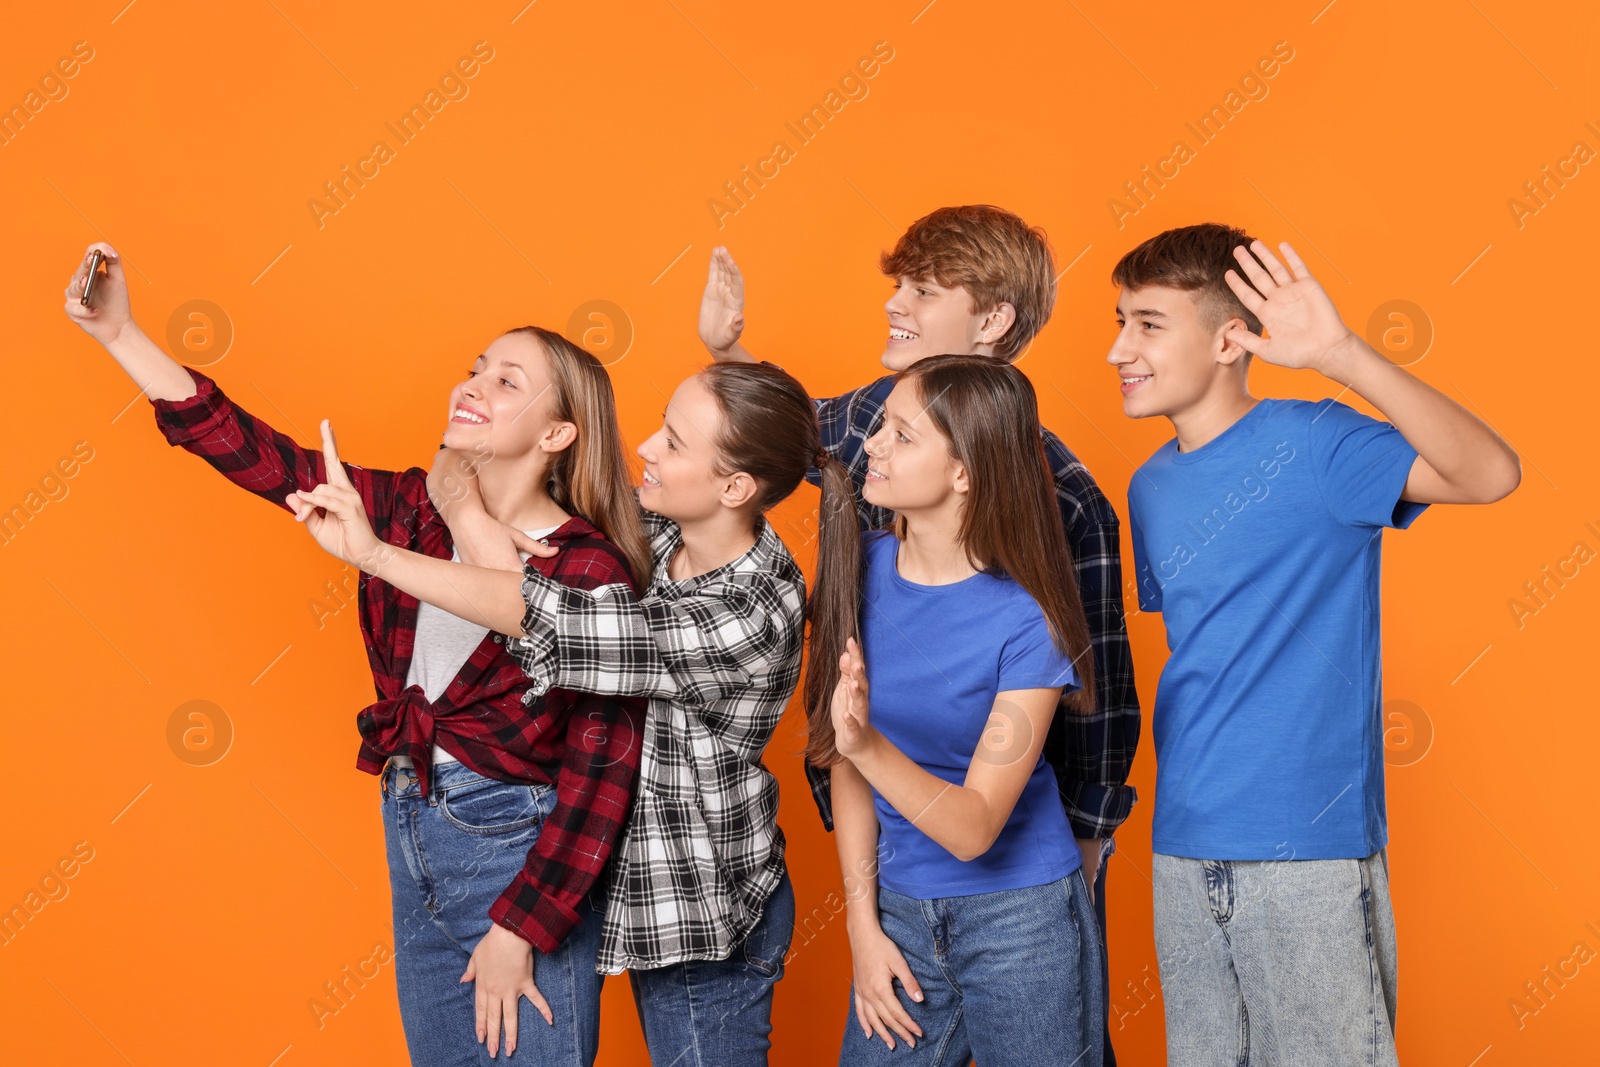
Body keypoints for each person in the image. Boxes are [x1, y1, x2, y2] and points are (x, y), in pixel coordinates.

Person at [63, 241, 649, 1065]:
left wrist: (526, 923)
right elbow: (254, 453)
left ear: (558, 432)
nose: (473, 386)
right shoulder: (409, 505)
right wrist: (120, 333)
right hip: (414, 824)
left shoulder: (589, 567)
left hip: (516, 857)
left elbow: (603, 766)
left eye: (506, 381)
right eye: (475, 368)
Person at [286, 359, 844, 1066]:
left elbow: (555, 621)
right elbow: (462, 455)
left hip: (706, 915)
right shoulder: (661, 533)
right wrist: (469, 496)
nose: (643, 445)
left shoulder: (752, 612)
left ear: (734, 487)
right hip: (631, 889)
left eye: (672, 442)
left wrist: (378, 551)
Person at [698, 206, 1139, 1063]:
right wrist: (729, 355)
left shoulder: (1068, 505)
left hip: (1017, 881)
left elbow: (1100, 705)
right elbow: (791, 430)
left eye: (924, 289)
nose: (870, 455)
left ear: (992, 320)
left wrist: (1082, 863)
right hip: (897, 878)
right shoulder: (869, 454)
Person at [1109, 223, 1521, 1066]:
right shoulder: (1148, 486)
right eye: (1119, 321)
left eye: (1149, 324)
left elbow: (1491, 473)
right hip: (1183, 846)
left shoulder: (1319, 442)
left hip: (1306, 853)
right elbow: (1212, 655)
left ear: (1230, 338)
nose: (1120, 347)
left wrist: (1342, 355)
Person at [806, 355, 1105, 1065]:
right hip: (899, 913)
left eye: (902, 436)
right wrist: (862, 924)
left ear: (965, 470)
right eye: (881, 428)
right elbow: (845, 762)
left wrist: (865, 743)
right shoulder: (860, 566)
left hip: (1022, 921)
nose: (873, 444)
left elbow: (974, 826)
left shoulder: (1031, 621)